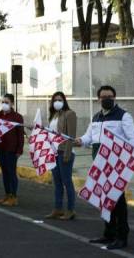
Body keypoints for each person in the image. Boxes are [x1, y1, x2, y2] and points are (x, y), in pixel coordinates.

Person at [75, 85, 134, 250]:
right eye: (103, 97)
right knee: (104, 200)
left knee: (118, 201)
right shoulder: (96, 118)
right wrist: (81, 140)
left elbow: (133, 142)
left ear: (115, 97)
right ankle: (108, 234)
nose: (107, 99)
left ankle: (122, 236)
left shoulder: (124, 116)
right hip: (100, 165)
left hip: (116, 166)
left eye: (110, 96)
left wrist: (123, 161)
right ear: (98, 99)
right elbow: (89, 137)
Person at [45, 92, 77, 220]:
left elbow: (71, 136)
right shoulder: (53, 115)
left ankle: (70, 210)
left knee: (67, 181)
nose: (57, 102)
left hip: (64, 152)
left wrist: (68, 153)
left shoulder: (70, 114)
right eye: (55, 100)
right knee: (57, 182)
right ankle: (58, 209)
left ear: (64, 101)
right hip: (54, 151)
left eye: (60, 99)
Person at [0, 94, 24, 206]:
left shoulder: (17, 117)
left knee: (11, 172)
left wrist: (19, 150)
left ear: (12, 104)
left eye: (7, 102)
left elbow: (20, 135)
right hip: (0, 147)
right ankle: (7, 194)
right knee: (4, 172)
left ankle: (14, 197)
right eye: (3, 102)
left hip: (11, 149)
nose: (4, 104)